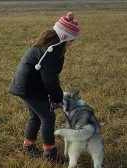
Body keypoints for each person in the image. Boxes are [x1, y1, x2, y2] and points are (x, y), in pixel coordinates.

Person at [8, 12, 80, 163]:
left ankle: (28, 147)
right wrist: (58, 98)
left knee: (35, 116)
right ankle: (50, 154)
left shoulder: (48, 48)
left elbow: (48, 78)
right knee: (48, 117)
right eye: (71, 40)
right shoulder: (49, 53)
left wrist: (54, 96)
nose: (71, 44)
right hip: (30, 88)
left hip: (26, 87)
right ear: (64, 37)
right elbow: (50, 80)